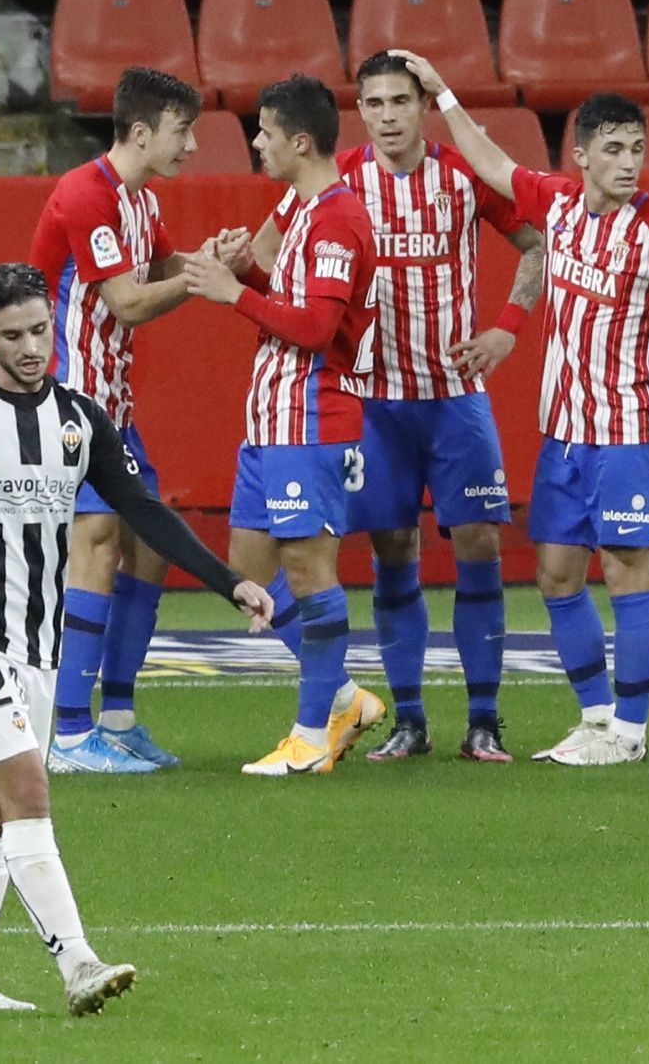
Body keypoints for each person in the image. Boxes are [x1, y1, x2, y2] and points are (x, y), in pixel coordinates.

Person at [0, 263, 274, 1012]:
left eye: (40, 330)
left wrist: (228, 580)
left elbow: (142, 508)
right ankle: (77, 962)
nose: (31, 347)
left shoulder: (79, 417)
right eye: (13, 335)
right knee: (28, 789)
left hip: (41, 643)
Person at [390, 50, 649, 767]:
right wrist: (442, 91)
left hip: (628, 433)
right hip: (565, 437)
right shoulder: (555, 205)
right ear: (581, 156)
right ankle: (596, 716)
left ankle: (631, 731)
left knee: (624, 571)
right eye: (612, 149)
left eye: (637, 149)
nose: (628, 162)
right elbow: (488, 162)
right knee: (554, 573)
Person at [247, 51, 547, 764]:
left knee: (478, 543)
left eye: (399, 102)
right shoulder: (337, 177)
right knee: (391, 548)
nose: (386, 116)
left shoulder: (462, 175)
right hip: (374, 399)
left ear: (422, 106)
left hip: (453, 397)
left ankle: (484, 720)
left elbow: (534, 243)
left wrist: (507, 324)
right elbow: (266, 249)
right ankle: (409, 720)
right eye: (374, 103)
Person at [29, 67, 244, 775]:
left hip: (111, 404)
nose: (191, 146)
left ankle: (114, 716)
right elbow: (125, 300)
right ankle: (66, 732)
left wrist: (212, 262)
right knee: (94, 541)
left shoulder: (140, 202)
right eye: (183, 131)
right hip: (68, 400)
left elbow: (158, 265)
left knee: (149, 548)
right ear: (144, 131)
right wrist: (195, 283)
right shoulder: (85, 194)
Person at [184, 74, 385, 776]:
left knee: (306, 569)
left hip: (311, 419)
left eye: (265, 131)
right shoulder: (300, 211)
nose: (256, 142)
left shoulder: (337, 218)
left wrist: (234, 293)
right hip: (270, 420)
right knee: (248, 568)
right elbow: (295, 301)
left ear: (301, 141)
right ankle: (341, 696)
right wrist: (249, 273)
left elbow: (318, 325)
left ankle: (309, 736)